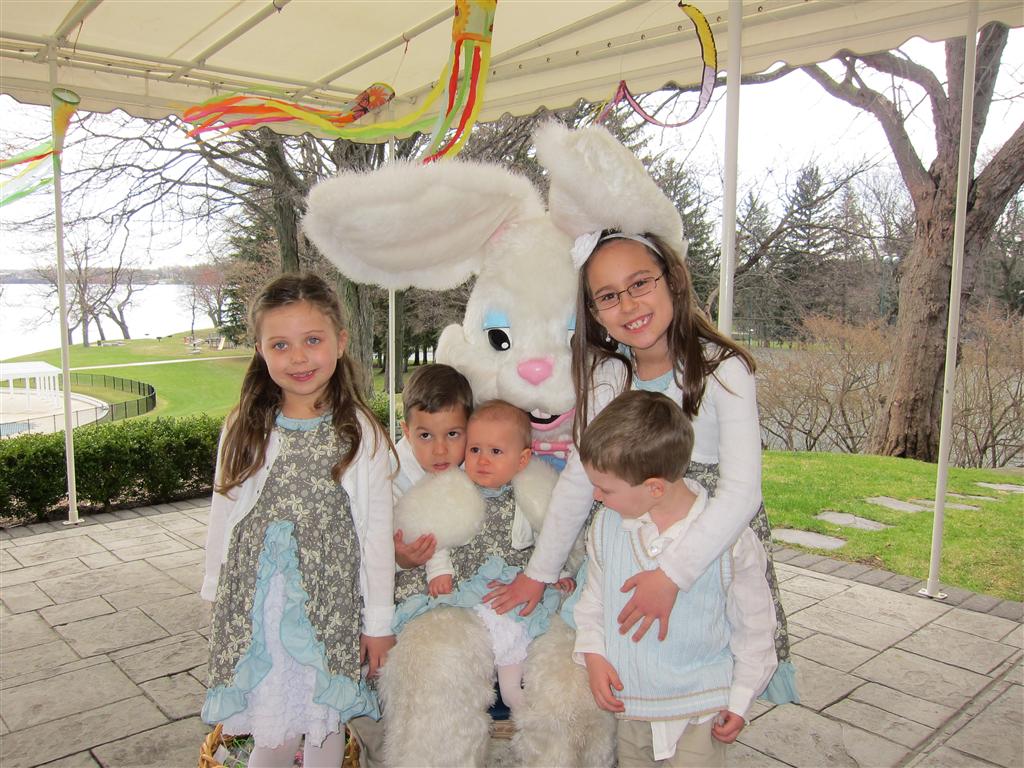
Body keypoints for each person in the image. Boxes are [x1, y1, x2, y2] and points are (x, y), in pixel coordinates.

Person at [486, 224, 797, 702]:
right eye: (608, 296)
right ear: (593, 312)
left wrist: (672, 575)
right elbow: (579, 480)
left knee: (698, 683)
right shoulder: (608, 377)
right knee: (623, 670)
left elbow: (741, 493)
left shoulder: (721, 371)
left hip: (704, 552)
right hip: (627, 548)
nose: (629, 305)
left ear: (672, 279)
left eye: (639, 284)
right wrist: (539, 572)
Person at [200, 273, 396, 768]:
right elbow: (225, 512)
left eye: (312, 340)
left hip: (326, 610)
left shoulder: (361, 434)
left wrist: (378, 623)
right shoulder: (244, 426)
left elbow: (375, 537)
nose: (299, 358)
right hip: (260, 607)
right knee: (274, 734)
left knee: (323, 722)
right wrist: (216, 591)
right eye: (281, 345)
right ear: (261, 351)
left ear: (340, 342)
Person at [573, 390, 777, 766]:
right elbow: (594, 601)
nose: (596, 497)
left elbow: (755, 626)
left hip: (702, 706)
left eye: (606, 488)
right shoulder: (605, 528)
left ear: (654, 487)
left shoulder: (730, 541)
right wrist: (594, 654)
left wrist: (742, 696)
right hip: (633, 704)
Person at [392, 363, 473, 572]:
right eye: (426, 435)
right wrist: (400, 559)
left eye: (452, 434)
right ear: (407, 433)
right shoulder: (392, 476)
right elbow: (374, 547)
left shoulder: (478, 463)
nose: (440, 450)